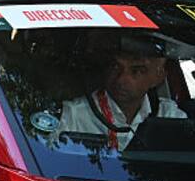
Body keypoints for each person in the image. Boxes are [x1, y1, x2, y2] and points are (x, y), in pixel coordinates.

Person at [56, 35, 186, 149]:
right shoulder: (73, 115)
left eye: (137, 70)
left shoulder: (170, 117)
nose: (122, 79)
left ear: (158, 77)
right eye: (115, 66)